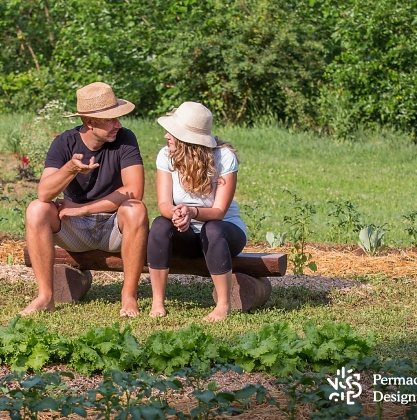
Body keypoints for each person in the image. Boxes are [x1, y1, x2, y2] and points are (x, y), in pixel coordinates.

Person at [20, 82, 148, 317]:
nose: (117, 124)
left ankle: (129, 296)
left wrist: (82, 209)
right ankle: (45, 297)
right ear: (90, 122)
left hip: (113, 228)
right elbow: (44, 194)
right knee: (36, 209)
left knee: (135, 209)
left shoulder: (125, 138)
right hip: (76, 232)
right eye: (111, 120)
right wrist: (70, 169)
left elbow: (134, 190)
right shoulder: (64, 143)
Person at [147, 102, 247, 322]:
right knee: (159, 224)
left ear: (187, 140)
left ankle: (223, 304)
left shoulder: (224, 158)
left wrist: (192, 211)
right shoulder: (166, 156)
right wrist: (176, 214)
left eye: (172, 133)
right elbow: (163, 203)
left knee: (212, 229)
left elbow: (219, 211)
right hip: (188, 234)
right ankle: (157, 302)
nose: (166, 136)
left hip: (223, 234)